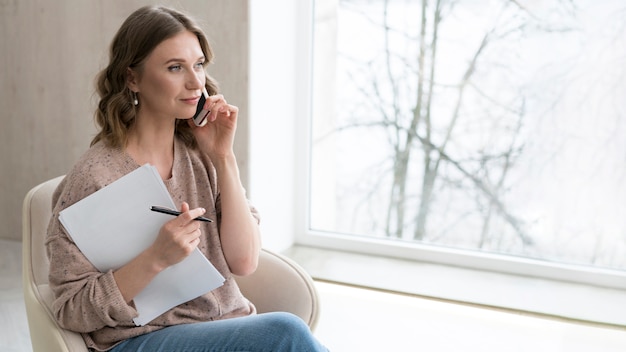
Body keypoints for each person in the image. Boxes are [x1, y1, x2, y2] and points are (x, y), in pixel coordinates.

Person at [45, 5, 327, 352]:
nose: (195, 82)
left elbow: (244, 261)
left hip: (222, 327)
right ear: (132, 78)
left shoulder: (200, 156)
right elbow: (70, 310)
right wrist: (155, 258)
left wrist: (224, 157)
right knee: (284, 332)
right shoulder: (94, 177)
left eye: (198, 65)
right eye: (175, 67)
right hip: (139, 341)